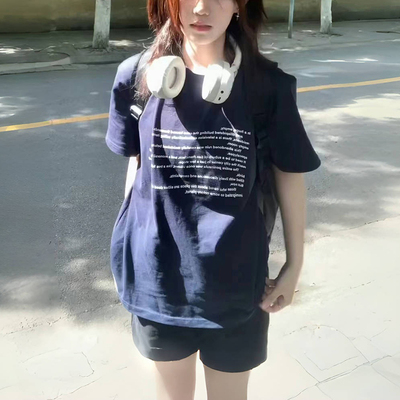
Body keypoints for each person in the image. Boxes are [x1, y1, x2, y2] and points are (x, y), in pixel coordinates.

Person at [105, 0, 321, 399]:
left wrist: (294, 265)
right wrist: (126, 246)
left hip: (237, 285)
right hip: (157, 281)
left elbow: (289, 174)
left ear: (239, 5)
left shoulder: (266, 87)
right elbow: (137, 164)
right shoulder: (137, 76)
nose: (201, 8)